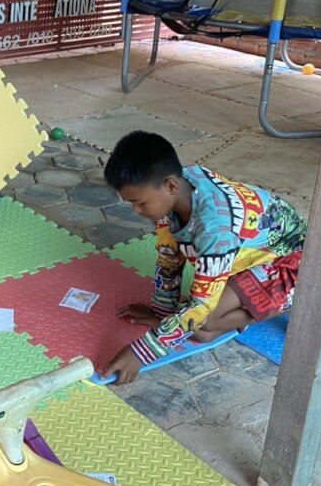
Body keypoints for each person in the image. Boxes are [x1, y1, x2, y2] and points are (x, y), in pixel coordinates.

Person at [99, 131, 306, 384]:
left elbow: (200, 306)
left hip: (294, 262)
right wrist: (162, 314)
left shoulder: (214, 229)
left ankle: (287, 305)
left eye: (140, 203)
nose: (136, 210)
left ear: (171, 186)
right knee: (200, 330)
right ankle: (230, 312)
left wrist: (141, 352)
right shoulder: (177, 190)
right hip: (247, 255)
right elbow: (168, 255)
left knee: (203, 319)